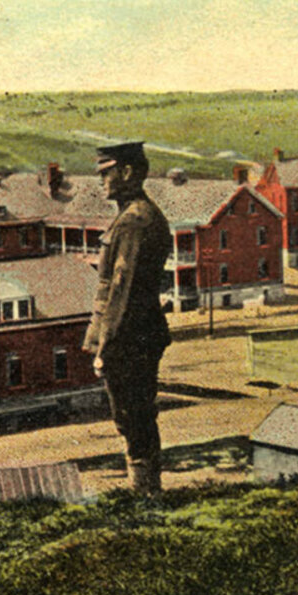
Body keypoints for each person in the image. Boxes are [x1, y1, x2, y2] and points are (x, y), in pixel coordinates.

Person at [83, 141, 173, 494]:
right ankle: (145, 489)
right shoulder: (133, 216)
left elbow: (123, 290)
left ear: (128, 172)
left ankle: (145, 493)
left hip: (130, 336)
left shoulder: (136, 221)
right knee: (133, 415)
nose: (102, 180)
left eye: (107, 172)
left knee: (133, 417)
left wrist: (106, 346)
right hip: (136, 334)